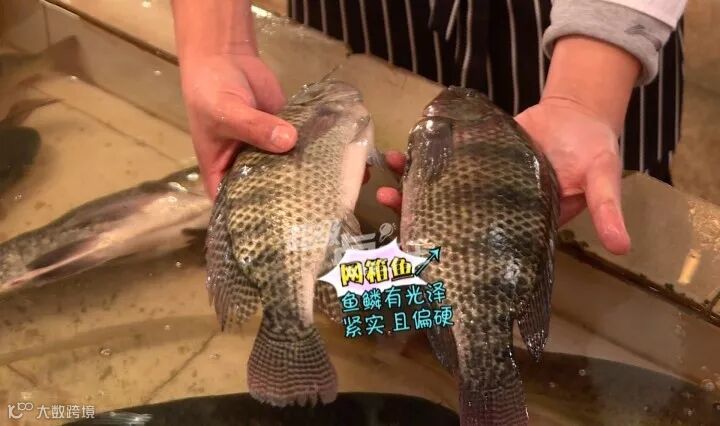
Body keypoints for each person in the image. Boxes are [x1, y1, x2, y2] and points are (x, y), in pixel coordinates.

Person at [170, 0, 687, 256]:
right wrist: (217, 40)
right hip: (365, 15)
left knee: (583, 242)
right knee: (356, 250)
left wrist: (585, 95)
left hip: (592, 34)